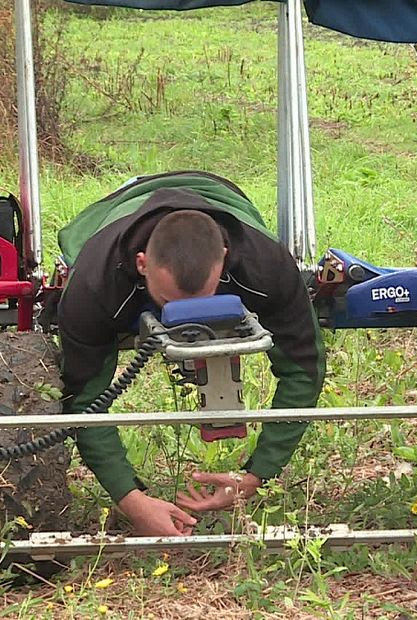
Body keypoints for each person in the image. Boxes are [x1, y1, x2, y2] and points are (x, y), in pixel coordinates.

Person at [56, 171, 325, 537]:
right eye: (170, 303)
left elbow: (304, 368)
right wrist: (132, 502)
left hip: (223, 194)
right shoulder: (93, 283)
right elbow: (84, 397)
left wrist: (256, 476)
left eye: (202, 301)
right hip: (115, 212)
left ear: (225, 260)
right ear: (141, 265)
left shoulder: (267, 264)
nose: (186, 320)